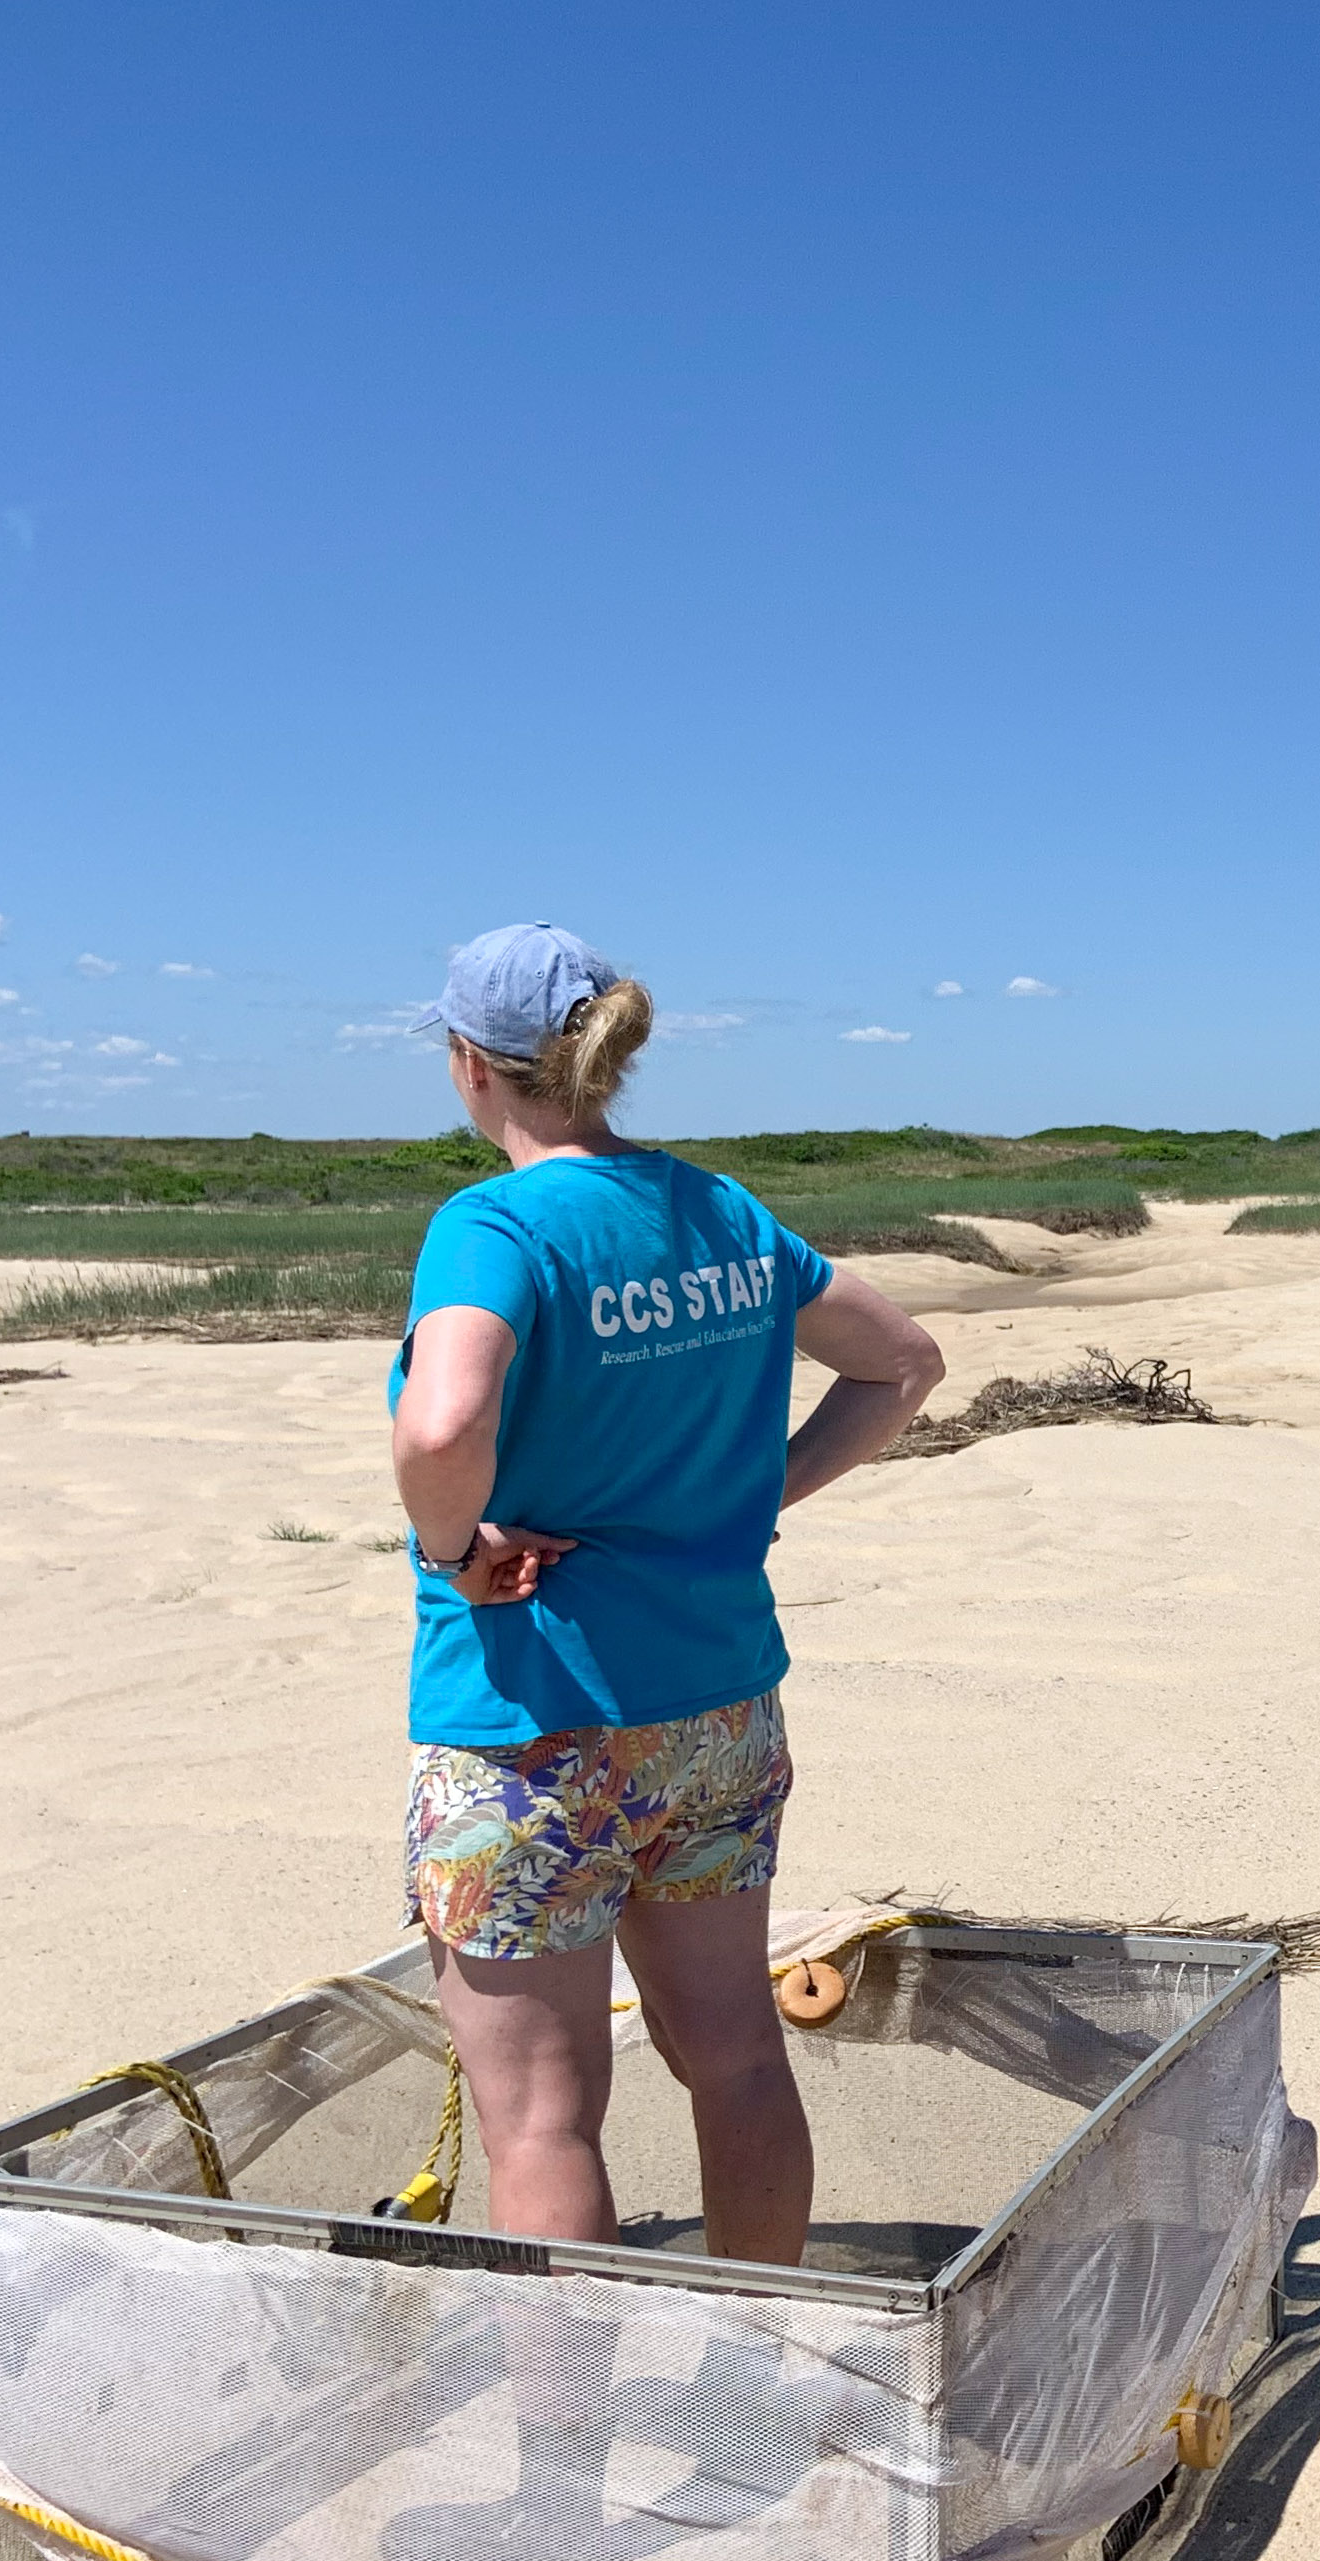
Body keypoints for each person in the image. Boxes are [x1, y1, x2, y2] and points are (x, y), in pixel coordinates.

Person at [385, 921, 942, 2266]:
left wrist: (459, 1553)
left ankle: (565, 2450)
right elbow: (904, 1363)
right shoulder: (719, 1211)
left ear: (469, 1065)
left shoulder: (497, 1224)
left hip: (530, 1724)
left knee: (541, 2118)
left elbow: (440, 1426)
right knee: (738, 2055)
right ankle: (759, 2365)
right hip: (717, 1712)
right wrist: (753, 1497)